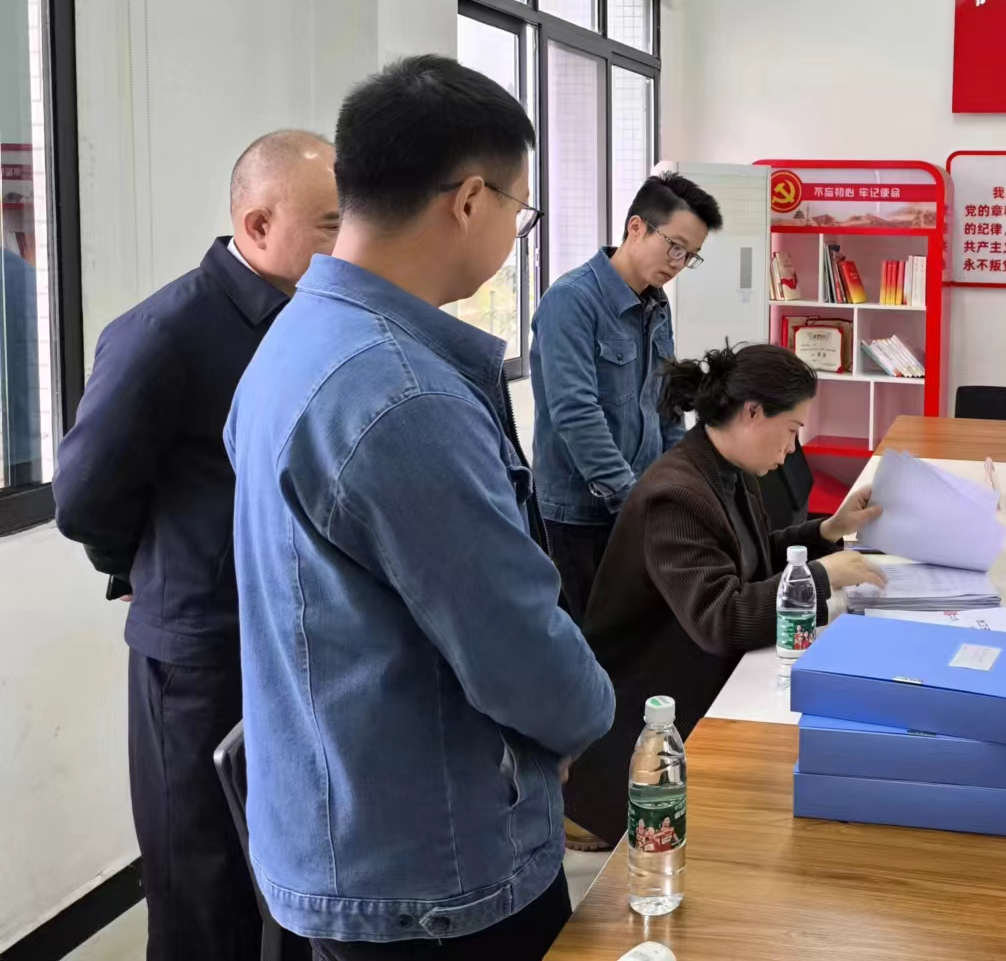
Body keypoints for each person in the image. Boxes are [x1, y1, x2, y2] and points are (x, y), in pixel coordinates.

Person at [226, 56, 614, 959]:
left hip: (339, 830)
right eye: (520, 210)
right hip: (434, 870)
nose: (516, 232)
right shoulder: (403, 395)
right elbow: (514, 640)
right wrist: (580, 716)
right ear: (470, 199)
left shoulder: (293, 338)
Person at [56, 130, 339, 961]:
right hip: (199, 655)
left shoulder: (304, 318)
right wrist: (142, 568)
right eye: (330, 224)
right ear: (258, 225)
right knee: (200, 889)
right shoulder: (167, 331)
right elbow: (84, 495)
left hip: (286, 639)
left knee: (282, 878)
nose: (347, 240)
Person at [565, 343, 886, 844]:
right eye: (791, 430)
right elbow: (721, 619)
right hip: (642, 717)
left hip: (690, 676)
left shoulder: (726, 468)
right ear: (752, 413)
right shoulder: (676, 495)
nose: (791, 449)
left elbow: (751, 558)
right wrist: (822, 576)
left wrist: (828, 531)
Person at [529, 172, 724, 622]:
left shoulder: (656, 304)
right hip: (579, 514)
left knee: (634, 634)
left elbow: (667, 405)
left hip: (639, 503)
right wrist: (631, 501)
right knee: (590, 637)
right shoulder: (571, 301)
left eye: (690, 255)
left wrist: (681, 484)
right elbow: (576, 413)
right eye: (675, 246)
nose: (679, 263)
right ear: (636, 227)